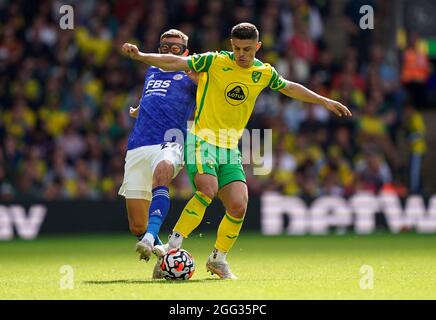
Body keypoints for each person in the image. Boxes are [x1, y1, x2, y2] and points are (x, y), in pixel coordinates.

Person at [122, 22, 352, 279]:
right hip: (202, 140)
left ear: (258, 47)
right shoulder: (214, 61)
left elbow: (288, 87)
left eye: (247, 49)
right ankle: (172, 246)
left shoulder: (263, 72)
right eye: (237, 48)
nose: (241, 54)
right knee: (207, 189)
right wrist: (141, 56)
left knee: (238, 205)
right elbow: (174, 62)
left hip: (230, 146)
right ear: (230, 45)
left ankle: (218, 259)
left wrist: (323, 100)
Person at [119, 29, 197, 278]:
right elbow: (156, 97)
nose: (169, 51)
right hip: (138, 144)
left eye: (176, 48)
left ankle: (151, 237)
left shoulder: (192, 73)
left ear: (185, 52)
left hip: (170, 140)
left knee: (162, 173)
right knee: (136, 225)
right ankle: (165, 257)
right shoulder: (151, 70)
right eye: (165, 47)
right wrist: (138, 110)